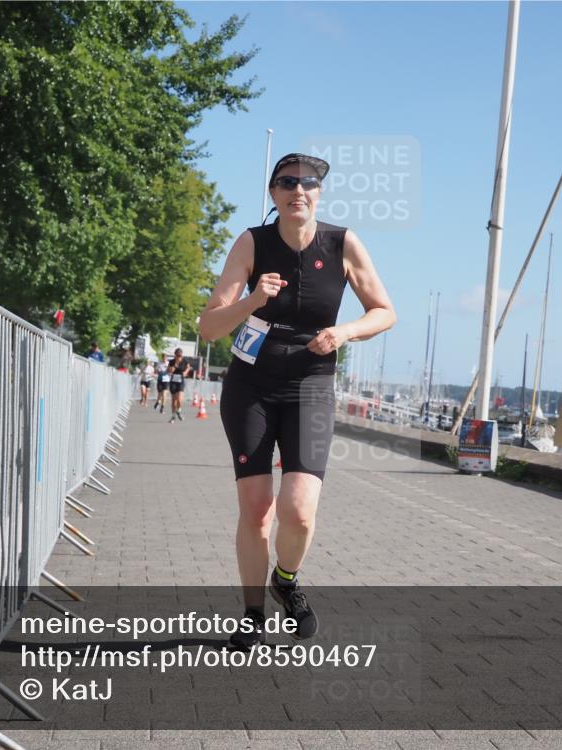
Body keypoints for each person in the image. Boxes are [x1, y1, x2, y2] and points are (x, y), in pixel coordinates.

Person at [199, 152, 396, 650]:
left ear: (319, 194)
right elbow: (209, 325)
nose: (299, 190)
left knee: (300, 510)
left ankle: (285, 579)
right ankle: (251, 614)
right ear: (273, 194)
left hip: (310, 383)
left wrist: (345, 331)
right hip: (251, 386)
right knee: (257, 508)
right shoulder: (252, 242)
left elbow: (384, 312)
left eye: (309, 183)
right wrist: (251, 300)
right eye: (287, 182)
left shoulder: (342, 243)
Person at [167, 348, 193, 421]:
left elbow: (188, 367)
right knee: (174, 400)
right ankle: (173, 416)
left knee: (179, 399)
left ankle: (179, 410)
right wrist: (175, 365)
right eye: (177, 355)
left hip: (181, 380)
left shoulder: (185, 361)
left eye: (180, 355)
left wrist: (185, 372)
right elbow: (169, 371)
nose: (179, 357)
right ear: (175, 355)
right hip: (173, 381)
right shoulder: (172, 362)